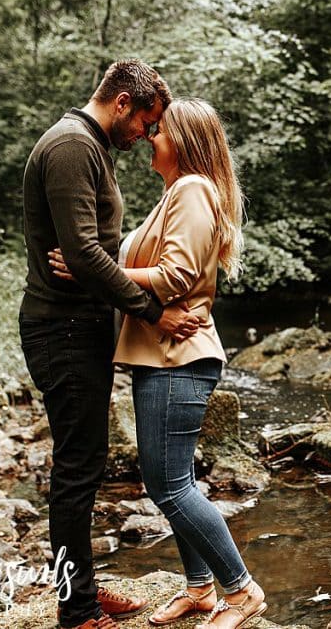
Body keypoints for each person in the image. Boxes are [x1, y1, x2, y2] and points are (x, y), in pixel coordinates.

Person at [49, 98, 266, 629]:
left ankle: (241, 593)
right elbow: (139, 266)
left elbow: (174, 276)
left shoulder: (193, 190)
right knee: (174, 478)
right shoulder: (176, 194)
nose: (150, 136)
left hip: (180, 357)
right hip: (163, 355)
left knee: (169, 485)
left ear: (185, 142)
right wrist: (96, 264)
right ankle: (199, 590)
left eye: (159, 130)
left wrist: (88, 272)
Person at [20, 59, 201, 629]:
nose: (147, 136)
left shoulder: (91, 147)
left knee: (87, 465)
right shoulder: (73, 146)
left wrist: (98, 265)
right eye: (146, 123)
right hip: (63, 328)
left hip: (80, 326)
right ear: (122, 101)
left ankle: (86, 593)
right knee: (77, 470)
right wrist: (154, 311)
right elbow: (81, 251)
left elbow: (94, 251)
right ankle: (77, 611)